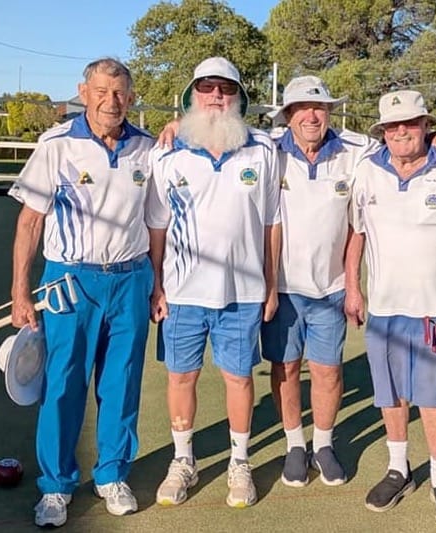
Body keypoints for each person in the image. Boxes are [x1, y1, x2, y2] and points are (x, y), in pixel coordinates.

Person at [260, 76, 436, 489]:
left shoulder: (358, 150)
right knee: (284, 369)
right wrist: (176, 128)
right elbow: (222, 134)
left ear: (330, 111)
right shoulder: (266, 149)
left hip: (333, 287)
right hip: (282, 286)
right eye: (301, 108)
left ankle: (323, 444)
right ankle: (294, 445)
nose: (311, 116)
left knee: (328, 372)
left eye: (319, 107)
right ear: (288, 115)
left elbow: (406, 141)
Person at [8, 57, 154, 528]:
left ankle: (111, 475)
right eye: (101, 91)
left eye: (119, 93)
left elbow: (156, 225)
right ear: (83, 92)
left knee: (121, 382)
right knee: (64, 384)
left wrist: (158, 284)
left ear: (131, 98)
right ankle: (56, 486)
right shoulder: (56, 145)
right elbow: (30, 220)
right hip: (68, 279)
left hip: (131, 279)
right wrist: (20, 290)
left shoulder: (146, 149)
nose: (111, 101)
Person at [345, 89, 436, 526]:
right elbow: (357, 234)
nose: (401, 132)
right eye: (392, 126)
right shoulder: (366, 171)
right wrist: (353, 288)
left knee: (433, 398)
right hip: (386, 309)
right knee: (391, 395)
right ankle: (398, 469)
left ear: (427, 125)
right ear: (383, 132)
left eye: (410, 123)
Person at [146, 57, 280, 509]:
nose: (217, 97)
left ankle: (239, 463)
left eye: (226, 89)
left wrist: (271, 282)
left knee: (239, 379)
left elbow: (270, 223)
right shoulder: (167, 152)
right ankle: (185, 460)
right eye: (207, 88)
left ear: (239, 97)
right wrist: (157, 285)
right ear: (192, 97)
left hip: (242, 294)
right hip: (182, 294)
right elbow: (157, 226)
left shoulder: (262, 148)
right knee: (181, 376)